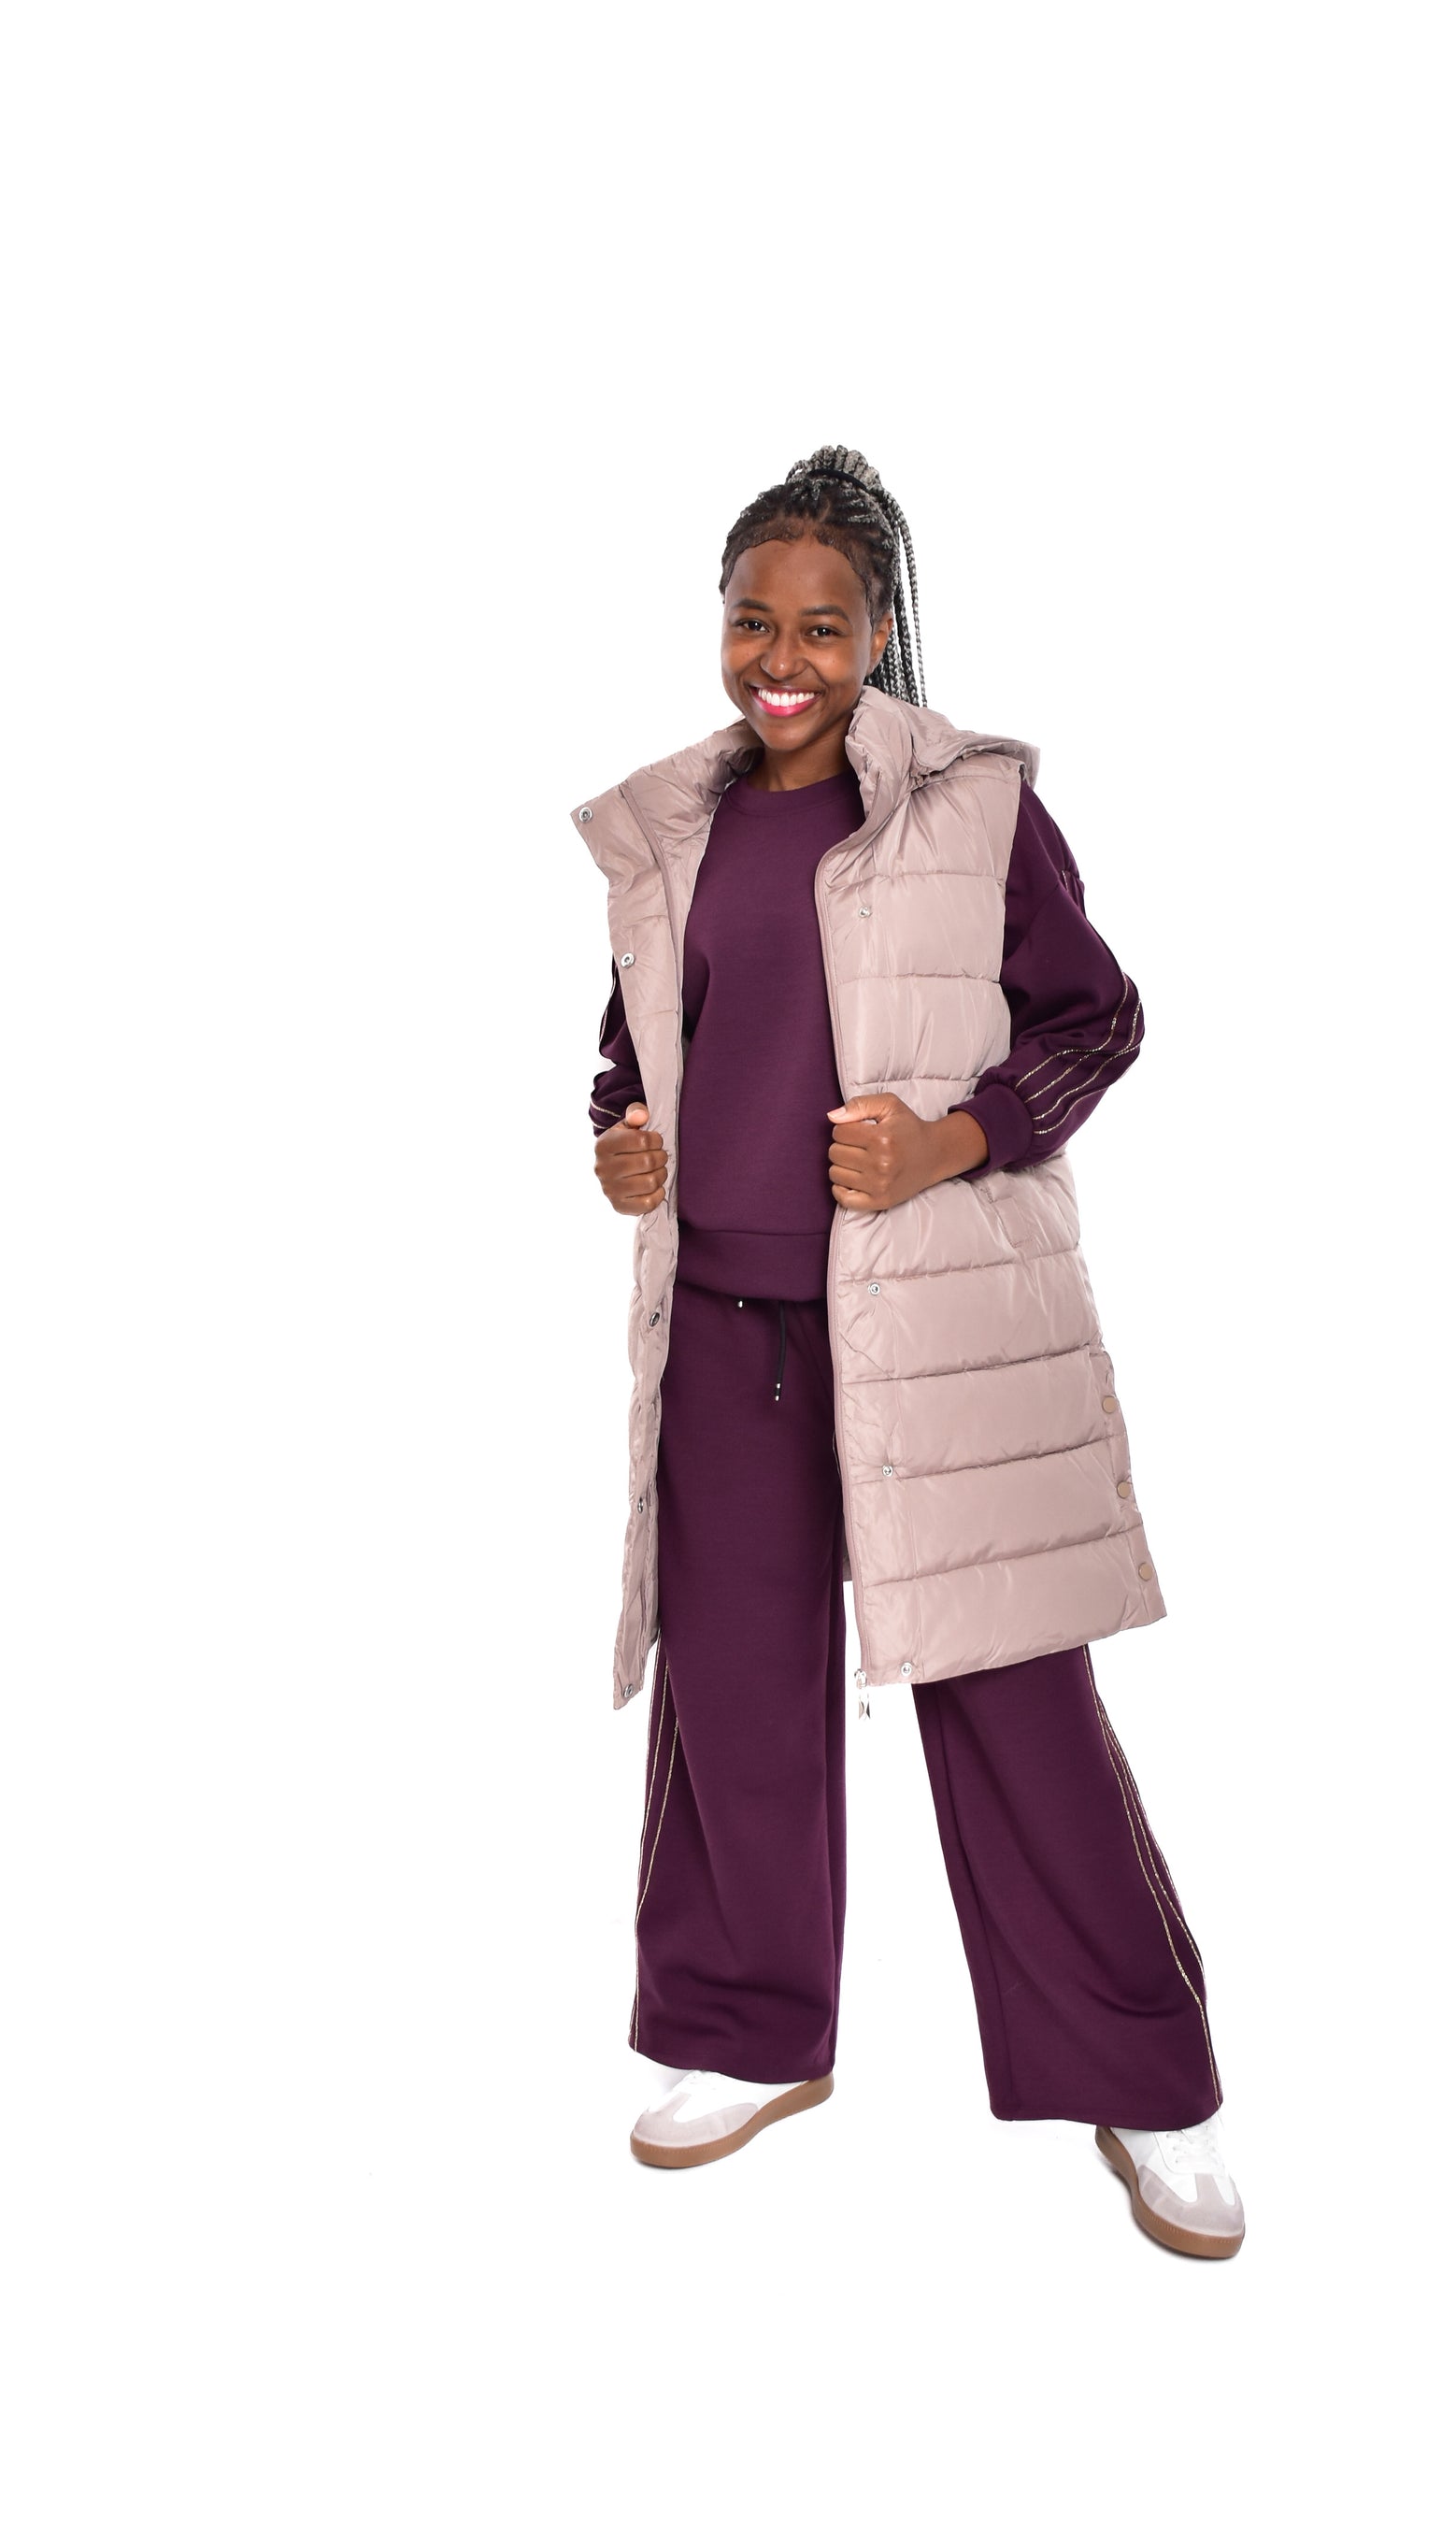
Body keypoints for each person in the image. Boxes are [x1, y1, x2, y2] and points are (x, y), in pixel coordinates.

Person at [571, 446, 1243, 2259]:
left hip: (933, 1333)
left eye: (820, 626)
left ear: (879, 632)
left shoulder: (975, 807)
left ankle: (1147, 2081)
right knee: (730, 1696)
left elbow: (1096, 1018)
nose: (779, 659)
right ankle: (743, 2031)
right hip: (726, 1330)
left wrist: (952, 1140)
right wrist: (621, 1135)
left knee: (1014, 1701)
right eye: (750, 622)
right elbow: (636, 1047)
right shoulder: (672, 828)